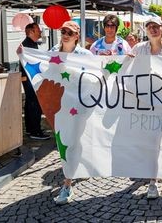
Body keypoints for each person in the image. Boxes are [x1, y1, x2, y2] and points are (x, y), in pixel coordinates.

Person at [130, 17, 162, 199]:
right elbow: (129, 68)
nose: (153, 29)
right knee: (146, 138)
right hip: (142, 101)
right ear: (145, 30)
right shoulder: (138, 48)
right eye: (149, 27)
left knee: (156, 140)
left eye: (156, 26)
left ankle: (153, 180)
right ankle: (150, 169)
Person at [49, 21, 93, 205]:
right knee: (63, 140)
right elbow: (44, 70)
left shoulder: (85, 55)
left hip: (79, 106)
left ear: (77, 36)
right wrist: (23, 55)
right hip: (59, 106)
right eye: (63, 31)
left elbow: (95, 77)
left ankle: (67, 184)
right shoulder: (53, 51)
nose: (65, 34)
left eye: (70, 32)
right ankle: (76, 166)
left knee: (72, 141)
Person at [20, 23, 50, 140]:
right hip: (30, 78)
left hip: (30, 77)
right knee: (34, 103)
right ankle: (35, 131)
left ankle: (31, 129)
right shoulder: (27, 45)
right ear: (31, 32)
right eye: (38, 30)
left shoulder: (30, 44)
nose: (40, 33)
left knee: (30, 103)